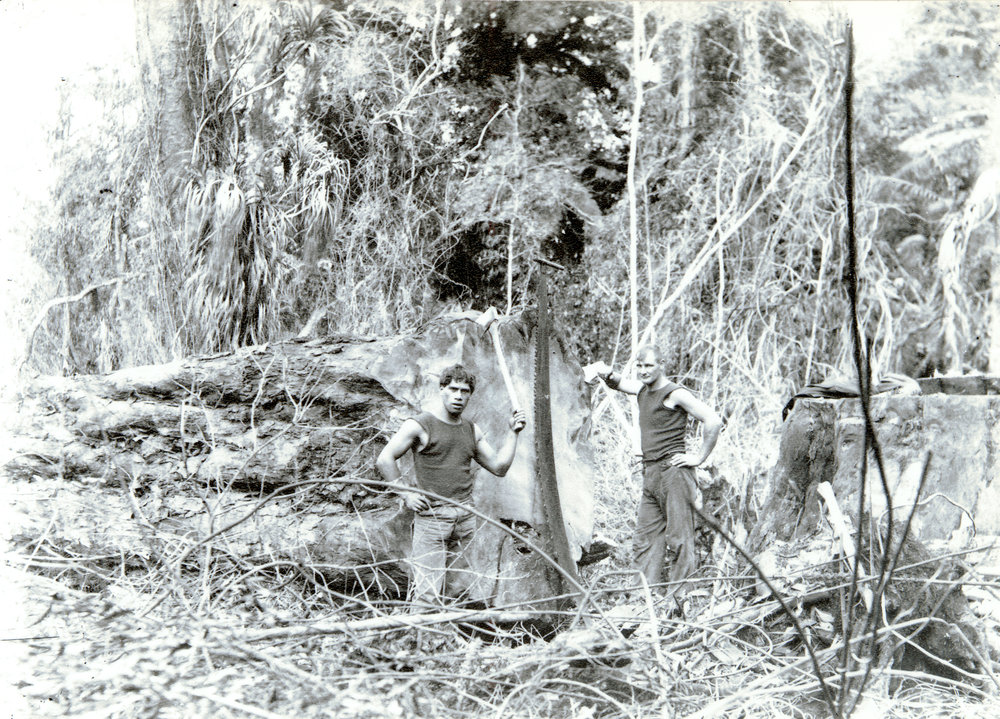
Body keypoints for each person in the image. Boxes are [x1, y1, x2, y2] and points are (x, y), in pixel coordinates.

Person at [376, 364, 527, 609]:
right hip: (432, 518)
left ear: (470, 395)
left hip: (465, 518)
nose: (458, 396)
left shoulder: (471, 430)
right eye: (453, 389)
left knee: (457, 593)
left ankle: (447, 632)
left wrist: (513, 433)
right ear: (442, 389)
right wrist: (406, 494)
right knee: (427, 595)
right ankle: (419, 632)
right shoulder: (420, 425)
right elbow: (385, 459)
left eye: (464, 391)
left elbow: (499, 467)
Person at [592, 346, 722, 603]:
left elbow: (713, 420)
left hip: (674, 473)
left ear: (662, 364)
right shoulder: (643, 389)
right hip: (651, 473)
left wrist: (699, 458)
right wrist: (605, 372)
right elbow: (620, 384)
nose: (643, 371)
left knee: (679, 538)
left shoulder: (675, 393)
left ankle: (679, 600)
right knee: (646, 538)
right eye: (639, 366)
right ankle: (642, 598)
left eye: (649, 365)